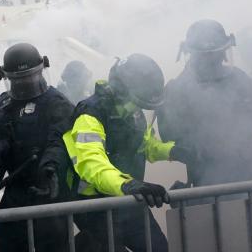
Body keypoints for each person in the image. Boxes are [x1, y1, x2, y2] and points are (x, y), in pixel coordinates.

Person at [61, 54, 188, 252]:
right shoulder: (90, 115)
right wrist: (128, 184)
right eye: (138, 103)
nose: (140, 109)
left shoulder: (133, 112)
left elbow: (145, 145)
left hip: (130, 200)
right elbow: (92, 164)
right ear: (121, 91)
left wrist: (173, 151)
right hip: (95, 207)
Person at [158, 19, 252, 187]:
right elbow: (170, 139)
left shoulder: (238, 79)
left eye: (216, 53)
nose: (212, 61)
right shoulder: (177, 90)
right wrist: (203, 152)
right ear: (194, 55)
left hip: (249, 177)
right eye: (206, 56)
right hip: (205, 184)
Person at [0, 43, 74, 252]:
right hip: (15, 196)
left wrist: (50, 171)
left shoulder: (58, 103)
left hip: (50, 193)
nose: (25, 83)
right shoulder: (2, 105)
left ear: (41, 71)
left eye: (30, 77)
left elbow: (58, 142)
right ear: (6, 77)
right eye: (18, 79)